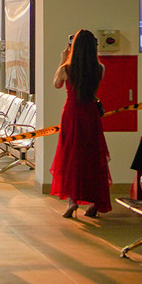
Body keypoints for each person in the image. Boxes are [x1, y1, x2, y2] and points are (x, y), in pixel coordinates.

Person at [50, 29, 113, 218]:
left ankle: (72, 201)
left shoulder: (66, 69)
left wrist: (63, 59)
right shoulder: (99, 69)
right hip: (91, 114)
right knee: (92, 156)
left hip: (71, 114)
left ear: (73, 47)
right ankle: (94, 200)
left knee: (70, 155)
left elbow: (56, 84)